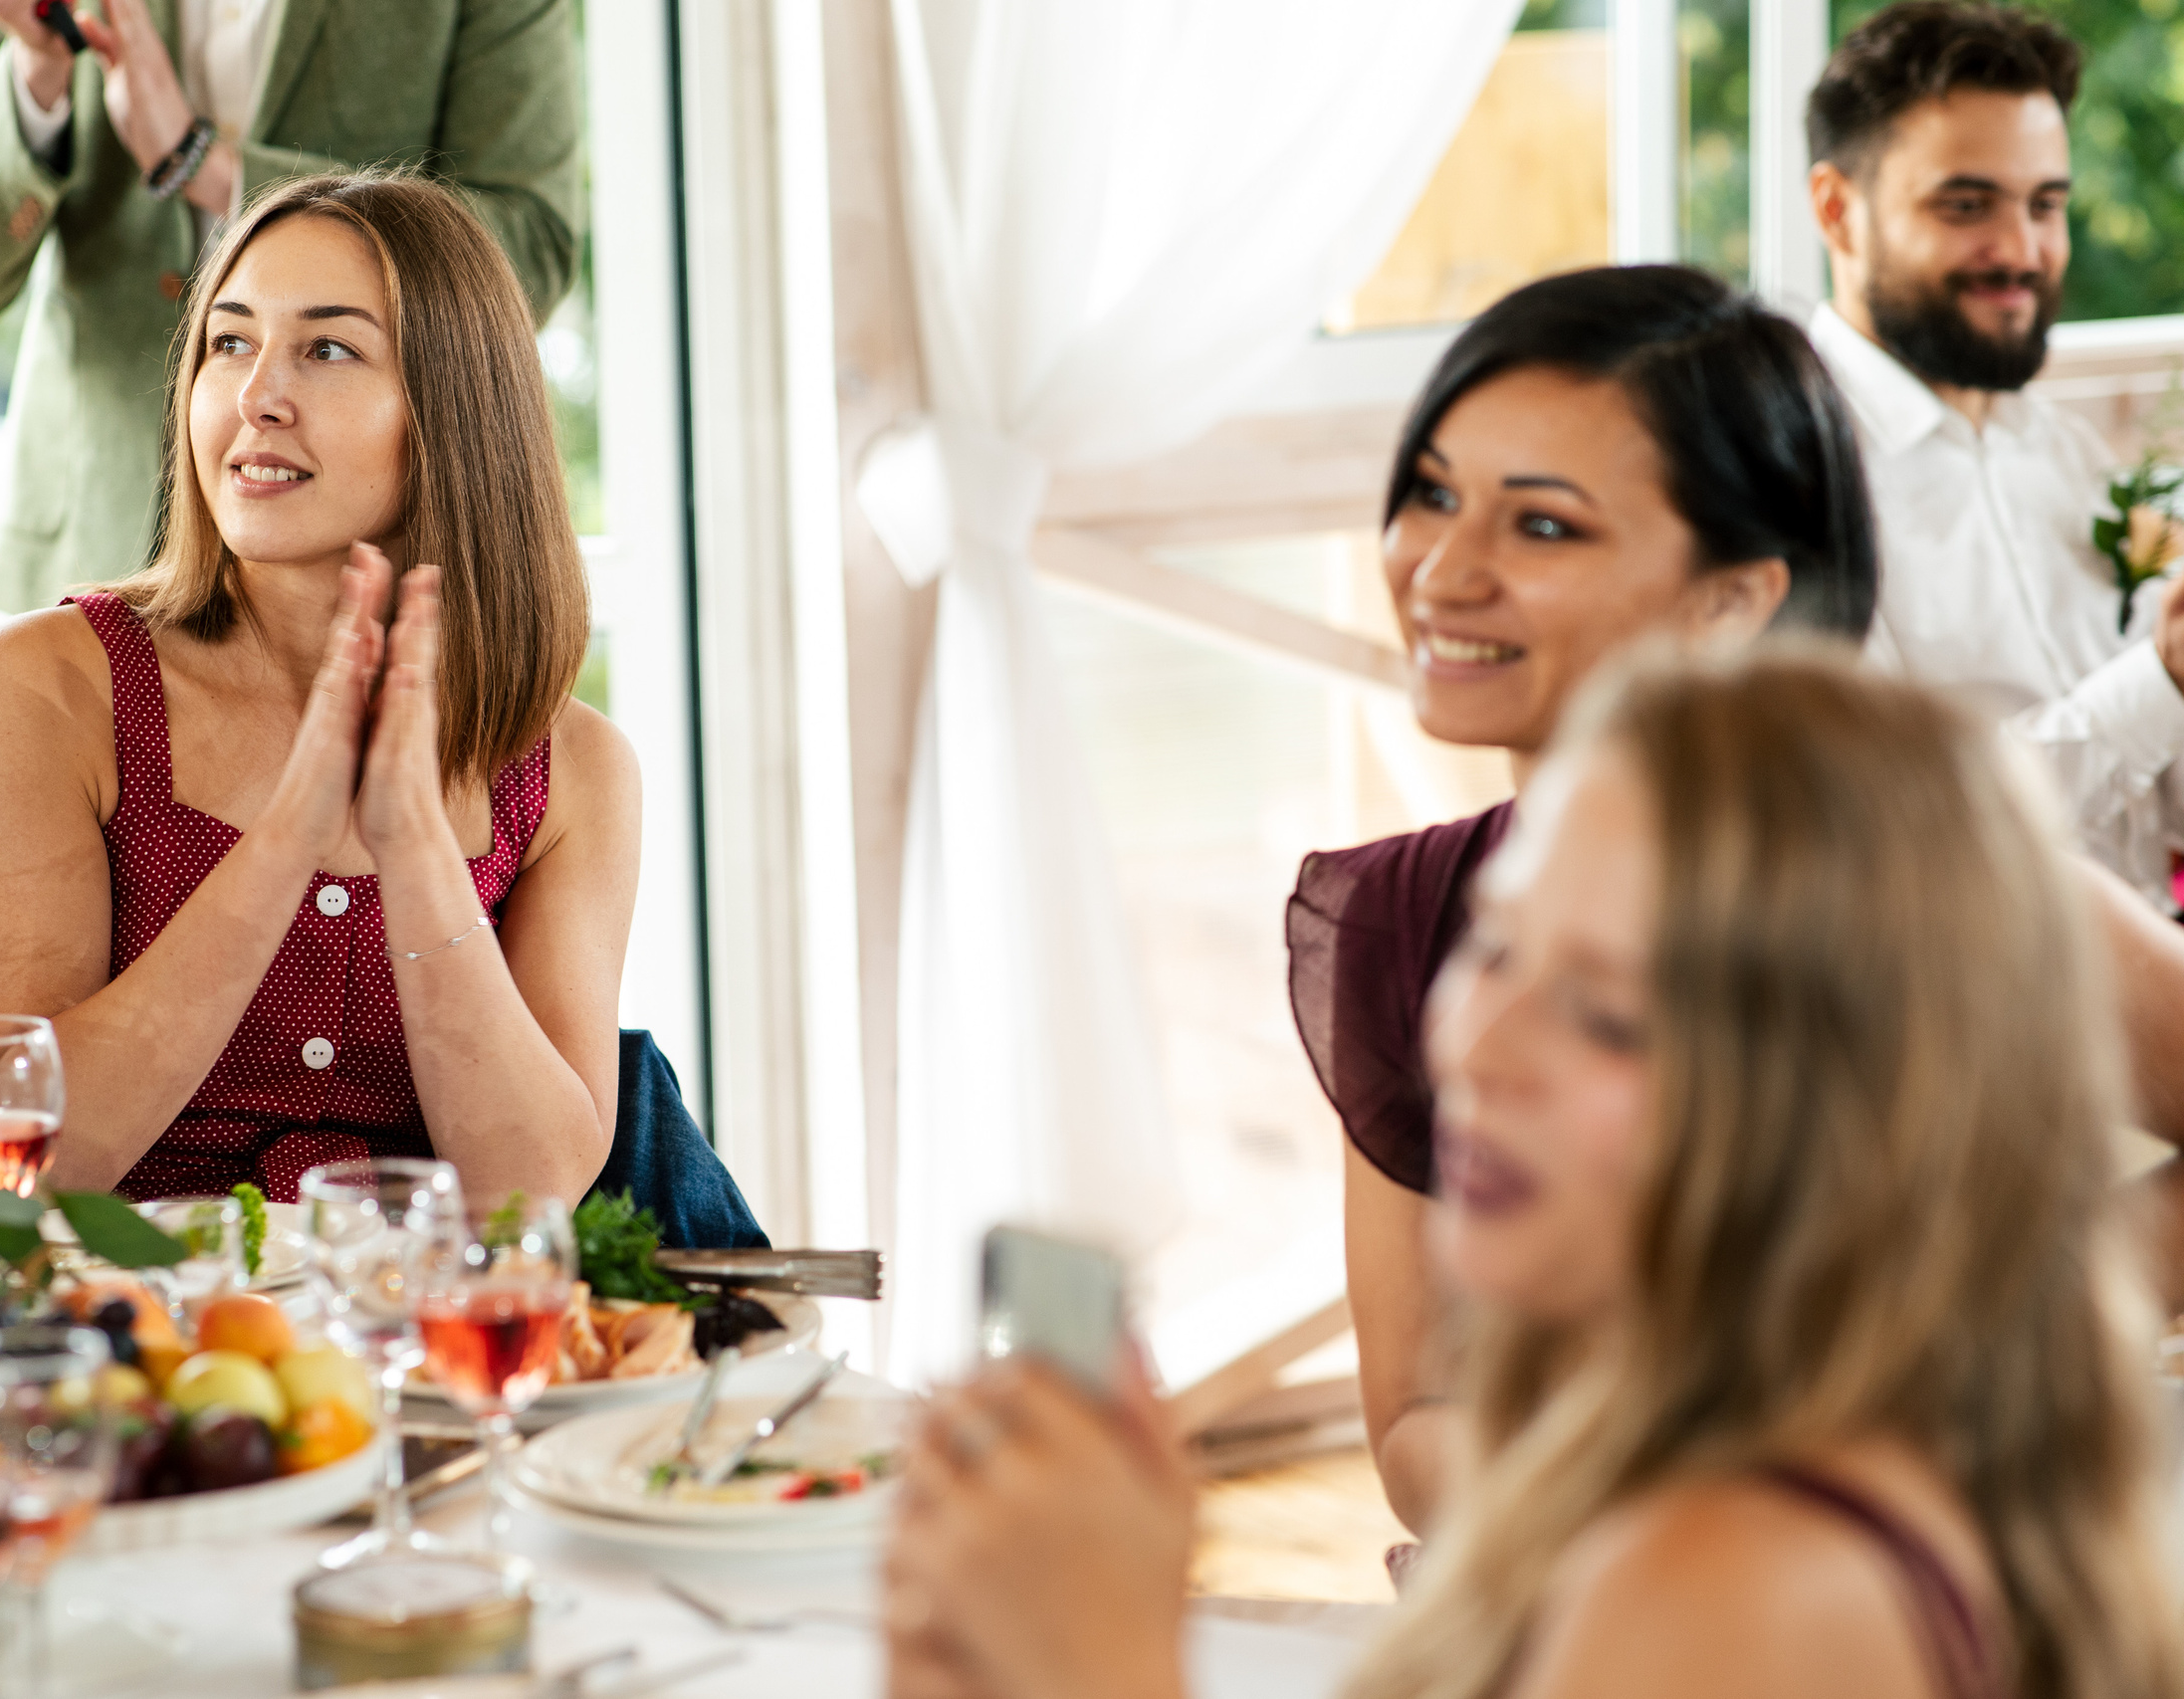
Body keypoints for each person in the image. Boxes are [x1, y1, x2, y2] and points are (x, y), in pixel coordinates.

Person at [888, 652, 2184, 1699]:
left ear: (1839, 1117)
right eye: (1500, 943)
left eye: (1610, 1016)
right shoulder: (1747, 1455)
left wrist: (1102, 1669)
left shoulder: (1739, 1586)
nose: (1484, 1049)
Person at [1285, 264, 1877, 1535]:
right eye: (1432, 495)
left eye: (1541, 524)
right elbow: (1414, 1418)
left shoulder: (1896, 884)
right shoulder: (1397, 916)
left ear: (1732, 598)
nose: (1441, 572)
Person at [0, 171, 637, 1207]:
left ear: (453, 408)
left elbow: (528, 1195)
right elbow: (25, 1171)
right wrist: (288, 838)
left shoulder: (574, 770)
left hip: (401, 1349)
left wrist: (415, 848)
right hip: (96, 1349)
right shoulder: (42, 690)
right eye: (228, 341)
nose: (256, 394)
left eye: (328, 347)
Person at [0, 0, 583, 613]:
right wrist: (36, 69)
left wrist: (205, 167)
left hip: (375, 583)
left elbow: (530, 251)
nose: (248, 398)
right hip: (92, 541)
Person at [1806, 1, 2184, 914]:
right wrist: (2160, 678)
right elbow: (1903, 826)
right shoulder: (1788, 478)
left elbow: (2152, 799)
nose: (2022, 251)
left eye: (2045, 204)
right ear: (1837, 210)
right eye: (1966, 205)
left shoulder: (2066, 453)